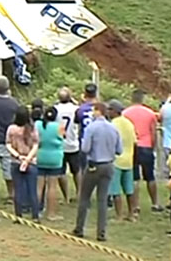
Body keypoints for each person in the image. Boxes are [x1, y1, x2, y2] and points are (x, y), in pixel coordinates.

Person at [73, 102, 121, 241]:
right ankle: (101, 232)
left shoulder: (91, 128)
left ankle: (79, 227)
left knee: (85, 197)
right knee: (102, 199)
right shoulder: (113, 128)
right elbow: (119, 150)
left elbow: (85, 148)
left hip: (95, 164)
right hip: (109, 164)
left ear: (98, 111)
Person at [122, 89, 162, 212]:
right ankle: (155, 203)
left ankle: (135, 205)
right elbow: (153, 132)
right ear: (142, 99)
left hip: (132, 146)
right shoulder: (150, 113)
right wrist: (153, 146)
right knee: (150, 176)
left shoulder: (125, 113)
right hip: (146, 146)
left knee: (134, 177)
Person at [6, 106, 40, 221]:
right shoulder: (32, 128)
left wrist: (17, 156)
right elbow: (36, 144)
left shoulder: (12, 129)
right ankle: (35, 215)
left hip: (16, 162)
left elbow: (8, 144)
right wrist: (28, 159)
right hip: (31, 162)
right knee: (32, 190)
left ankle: (18, 214)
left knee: (18, 189)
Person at [107, 99, 137, 221]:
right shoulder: (129, 123)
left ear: (114, 111)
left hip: (117, 160)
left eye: (109, 109)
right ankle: (131, 213)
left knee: (116, 190)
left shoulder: (113, 124)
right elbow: (135, 142)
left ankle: (119, 215)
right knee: (129, 189)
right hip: (129, 159)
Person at [36, 106, 65, 221]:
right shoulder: (60, 126)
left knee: (39, 186)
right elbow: (62, 138)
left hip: (40, 155)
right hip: (55, 158)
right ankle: (51, 213)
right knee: (52, 187)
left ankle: (36, 211)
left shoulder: (38, 124)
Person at [54, 87, 80, 202]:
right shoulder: (75, 109)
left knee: (61, 172)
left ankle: (66, 197)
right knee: (77, 171)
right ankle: (79, 193)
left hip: (60, 143)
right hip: (73, 142)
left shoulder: (55, 109)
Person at [75, 82, 99, 168]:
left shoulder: (81, 109)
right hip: (98, 140)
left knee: (85, 169)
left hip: (84, 140)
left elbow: (77, 121)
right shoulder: (100, 108)